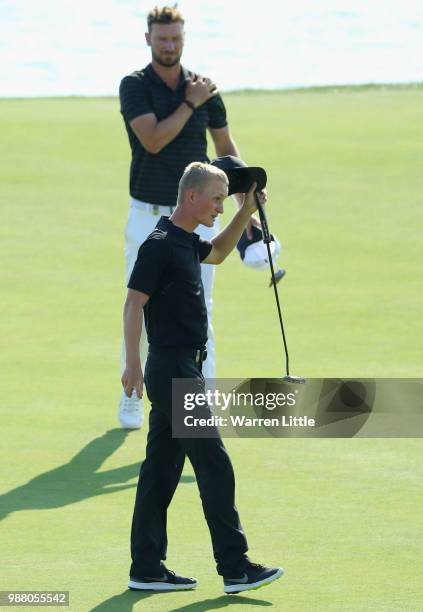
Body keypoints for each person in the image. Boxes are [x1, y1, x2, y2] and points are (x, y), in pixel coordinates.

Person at [121, 159, 283, 594]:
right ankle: (235, 567)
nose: (218, 206)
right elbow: (134, 303)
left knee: (160, 471)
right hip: (173, 369)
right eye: (216, 198)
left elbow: (219, 253)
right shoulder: (158, 244)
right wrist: (131, 363)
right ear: (191, 196)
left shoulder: (185, 240)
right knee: (214, 464)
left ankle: (147, 567)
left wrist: (244, 212)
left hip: (181, 367)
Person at [118, 4, 250, 429]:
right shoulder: (135, 86)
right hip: (146, 217)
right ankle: (133, 395)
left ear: (183, 40)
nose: (170, 46)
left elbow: (226, 149)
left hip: (192, 221)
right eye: (162, 39)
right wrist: (191, 103)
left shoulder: (205, 89)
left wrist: (246, 194)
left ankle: (201, 410)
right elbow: (153, 139)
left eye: (176, 38)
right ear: (148, 40)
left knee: (200, 312)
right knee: (140, 304)